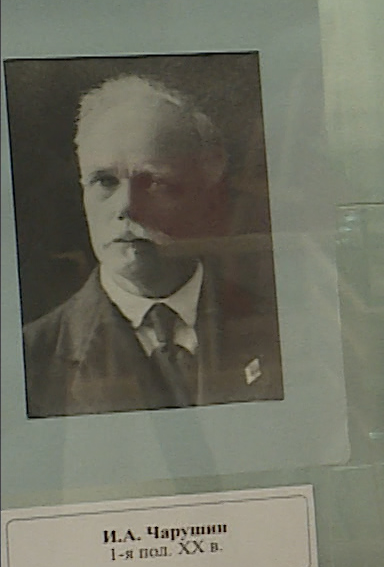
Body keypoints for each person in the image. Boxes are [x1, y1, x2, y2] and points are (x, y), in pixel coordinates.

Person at [21, 76, 283, 418]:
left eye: (156, 182)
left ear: (206, 193)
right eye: (104, 181)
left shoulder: (276, 327)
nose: (126, 206)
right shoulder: (32, 359)